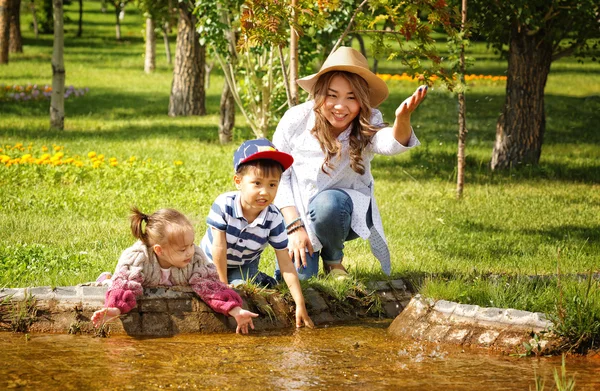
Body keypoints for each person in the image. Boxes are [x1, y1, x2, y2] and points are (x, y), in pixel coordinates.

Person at [272, 46, 427, 280]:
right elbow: (279, 176)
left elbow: (390, 142)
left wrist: (401, 120)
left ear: (362, 100)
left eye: (351, 97)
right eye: (332, 95)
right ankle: (313, 255)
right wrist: (294, 227)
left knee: (327, 204)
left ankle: (334, 261)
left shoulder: (367, 121)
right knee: (300, 282)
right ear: (320, 93)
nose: (340, 106)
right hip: (297, 214)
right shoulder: (296, 120)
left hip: (341, 212)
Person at [200, 138, 314, 329]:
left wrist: (300, 303)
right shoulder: (224, 205)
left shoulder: (274, 218)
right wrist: (222, 285)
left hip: (243, 264)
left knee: (242, 289)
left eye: (272, 185)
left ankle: (260, 279)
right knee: (212, 288)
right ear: (238, 181)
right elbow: (219, 247)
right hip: (210, 262)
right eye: (257, 183)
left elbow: (285, 263)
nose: (264, 192)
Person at [91, 207, 259, 334]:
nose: (189, 252)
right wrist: (115, 308)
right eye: (182, 249)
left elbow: (212, 287)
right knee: (111, 284)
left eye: (191, 245)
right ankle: (105, 279)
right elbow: (126, 285)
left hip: (170, 286)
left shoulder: (195, 258)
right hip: (129, 281)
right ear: (159, 250)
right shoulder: (138, 258)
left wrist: (235, 310)